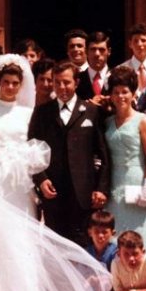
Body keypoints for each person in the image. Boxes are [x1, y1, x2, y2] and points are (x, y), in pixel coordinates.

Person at [0, 54, 112, 291]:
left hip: (20, 184)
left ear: (21, 86)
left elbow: (36, 145)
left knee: (22, 242)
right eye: (5, 82)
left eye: (14, 83)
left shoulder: (28, 113)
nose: (9, 87)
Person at [28, 60, 110, 244]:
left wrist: (101, 188)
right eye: (57, 82)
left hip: (83, 193)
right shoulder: (42, 112)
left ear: (76, 83)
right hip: (53, 192)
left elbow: (103, 153)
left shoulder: (91, 112)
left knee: (82, 243)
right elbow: (31, 148)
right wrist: (41, 179)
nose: (61, 87)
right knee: (56, 245)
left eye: (66, 82)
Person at [104, 65, 146, 257]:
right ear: (110, 95)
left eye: (125, 92)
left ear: (133, 93)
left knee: (140, 233)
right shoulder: (107, 122)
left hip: (137, 182)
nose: (120, 96)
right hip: (114, 184)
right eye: (116, 92)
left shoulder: (143, 120)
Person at [119, 23, 146, 97]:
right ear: (130, 44)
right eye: (136, 41)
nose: (139, 44)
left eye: (143, 40)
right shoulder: (120, 70)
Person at [75, 31, 111, 104]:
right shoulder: (77, 79)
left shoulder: (117, 77)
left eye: (101, 50)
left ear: (109, 51)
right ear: (86, 51)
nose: (97, 54)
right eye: (93, 49)